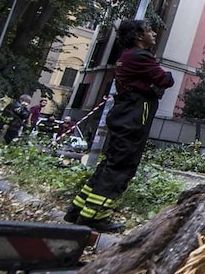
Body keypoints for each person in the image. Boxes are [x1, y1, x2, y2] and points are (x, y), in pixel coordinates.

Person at [64, 20, 173, 233]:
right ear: (139, 36)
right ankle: (94, 217)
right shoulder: (140, 57)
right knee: (121, 166)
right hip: (134, 118)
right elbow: (164, 79)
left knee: (110, 164)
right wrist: (160, 81)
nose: (153, 34)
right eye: (149, 31)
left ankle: (77, 210)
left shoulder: (127, 57)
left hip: (124, 115)